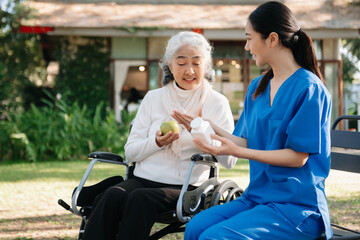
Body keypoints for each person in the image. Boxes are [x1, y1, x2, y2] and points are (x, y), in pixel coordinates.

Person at [173, 2, 333, 240]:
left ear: (272, 39)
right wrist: (207, 126)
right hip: (257, 197)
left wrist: (237, 150)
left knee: (214, 236)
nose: (247, 47)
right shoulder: (258, 87)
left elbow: (298, 157)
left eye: (249, 38)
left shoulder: (309, 89)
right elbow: (247, 141)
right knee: (196, 228)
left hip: (296, 208)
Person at [82, 31, 236, 240]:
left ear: (206, 66)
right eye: (181, 63)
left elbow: (229, 161)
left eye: (196, 63)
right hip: (142, 179)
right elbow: (131, 152)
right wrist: (156, 142)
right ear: (169, 65)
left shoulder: (217, 103)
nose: (189, 70)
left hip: (186, 188)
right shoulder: (153, 98)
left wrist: (201, 131)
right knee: (112, 195)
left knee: (140, 199)